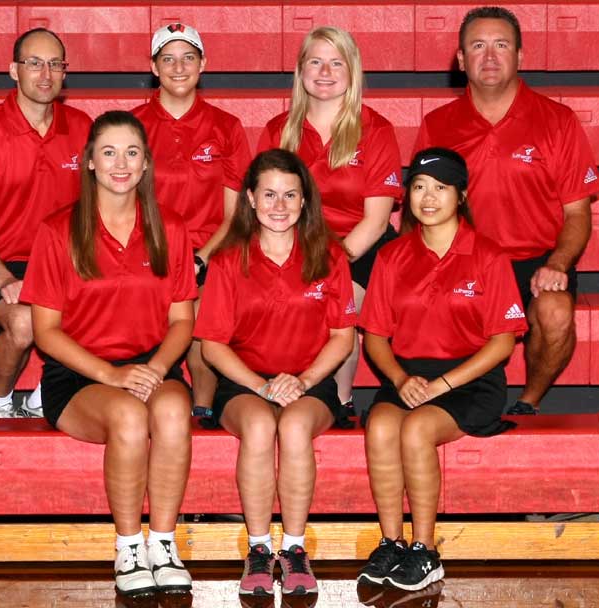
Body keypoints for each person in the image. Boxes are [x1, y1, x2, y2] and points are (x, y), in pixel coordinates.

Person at [21, 111, 197, 597]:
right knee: (127, 417)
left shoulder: (171, 228)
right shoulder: (58, 231)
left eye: (132, 152)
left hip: (151, 365)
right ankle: (128, 546)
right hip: (79, 375)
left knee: (174, 408)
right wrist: (112, 375)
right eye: (109, 152)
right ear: (90, 163)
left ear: (145, 165)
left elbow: (183, 321)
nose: (121, 163)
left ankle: (162, 542)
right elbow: (45, 332)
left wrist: (157, 368)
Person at [413, 6, 599, 414]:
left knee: (555, 312)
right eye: (478, 46)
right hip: (467, 260)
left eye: (502, 45)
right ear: (461, 60)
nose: (491, 56)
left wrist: (559, 264)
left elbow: (577, 213)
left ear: (520, 56)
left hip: (537, 261)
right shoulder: (438, 124)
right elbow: (421, 208)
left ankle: (528, 402)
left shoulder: (558, 121)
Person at [358, 148, 527, 591]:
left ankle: (425, 550)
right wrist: (399, 379)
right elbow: (375, 336)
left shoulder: (487, 254)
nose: (427, 197)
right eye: (418, 187)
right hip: (410, 377)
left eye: (440, 188)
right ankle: (391, 542)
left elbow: (503, 340)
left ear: (461, 195)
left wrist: (444, 384)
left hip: (470, 379)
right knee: (379, 427)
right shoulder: (393, 256)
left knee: (415, 431)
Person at [194, 149, 357, 597]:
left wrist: (302, 381)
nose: (279, 205)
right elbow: (212, 345)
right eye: (269, 194)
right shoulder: (229, 261)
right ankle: (261, 549)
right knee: (262, 423)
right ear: (249, 198)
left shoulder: (329, 255)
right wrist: (262, 385)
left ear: (305, 202)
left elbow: (343, 337)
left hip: (310, 378)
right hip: (246, 380)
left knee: (297, 423)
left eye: (290, 195)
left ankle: (296, 548)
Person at [256, 26, 402, 416]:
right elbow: (262, 206)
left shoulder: (377, 130)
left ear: (352, 71)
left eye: (336, 62)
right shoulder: (278, 130)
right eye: (315, 61)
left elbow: (375, 220)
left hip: (362, 247)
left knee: (331, 307)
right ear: (300, 70)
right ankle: (285, 396)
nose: (325, 71)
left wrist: (330, 262)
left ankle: (340, 404)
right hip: (290, 243)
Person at [0, 28, 92, 418]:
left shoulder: (82, 128)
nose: (45, 74)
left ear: (65, 72)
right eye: (34, 63)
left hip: (57, 264)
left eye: (55, 64)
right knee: (25, 322)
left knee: (120, 298)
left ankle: (43, 395)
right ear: (14, 70)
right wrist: (4, 279)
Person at [133, 22, 252, 417]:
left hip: (212, 253)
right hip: (148, 251)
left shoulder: (226, 126)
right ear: (153, 67)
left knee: (202, 328)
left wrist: (200, 257)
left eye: (188, 57)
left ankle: (203, 411)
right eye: (168, 58)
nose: (178, 67)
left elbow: (236, 213)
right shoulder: (132, 126)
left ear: (203, 64)